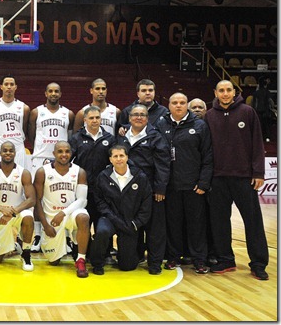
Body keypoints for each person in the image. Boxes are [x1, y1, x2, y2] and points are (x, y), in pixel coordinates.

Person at [205, 80, 269, 280]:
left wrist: (258, 172)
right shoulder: (209, 115)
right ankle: (226, 259)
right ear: (215, 92)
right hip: (217, 178)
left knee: (253, 221)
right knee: (219, 222)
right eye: (221, 90)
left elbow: (258, 143)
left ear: (235, 92)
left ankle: (258, 263)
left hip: (244, 178)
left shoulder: (247, 112)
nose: (225, 94)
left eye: (228, 90)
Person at [156, 93, 213, 274]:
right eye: (175, 103)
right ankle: (173, 257)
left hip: (193, 187)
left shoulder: (199, 125)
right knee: (173, 224)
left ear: (187, 105)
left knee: (196, 224)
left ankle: (199, 260)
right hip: (171, 186)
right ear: (169, 105)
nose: (178, 106)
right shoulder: (161, 124)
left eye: (182, 103)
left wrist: (203, 183)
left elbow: (208, 156)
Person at [117, 104, 170, 275]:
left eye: (142, 115)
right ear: (129, 118)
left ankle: (154, 263)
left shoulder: (155, 137)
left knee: (155, 229)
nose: (138, 117)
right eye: (135, 115)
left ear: (147, 118)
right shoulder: (122, 137)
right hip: (128, 192)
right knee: (133, 227)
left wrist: (160, 188)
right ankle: (136, 256)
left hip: (151, 190)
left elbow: (163, 164)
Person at [90, 145, 152, 275]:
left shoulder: (139, 177)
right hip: (110, 219)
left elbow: (146, 203)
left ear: (127, 157)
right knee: (102, 231)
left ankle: (125, 254)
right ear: (110, 159)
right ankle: (97, 263)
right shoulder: (103, 177)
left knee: (127, 266)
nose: (119, 159)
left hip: (130, 222)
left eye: (121, 156)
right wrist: (116, 220)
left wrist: (136, 223)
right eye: (115, 156)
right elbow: (100, 203)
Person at [27, 82, 74, 253]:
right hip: (40, 158)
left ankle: (67, 237)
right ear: (45, 93)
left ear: (60, 94)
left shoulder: (68, 113)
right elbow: (31, 134)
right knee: (37, 198)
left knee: (65, 196)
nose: (53, 94)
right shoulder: (36, 112)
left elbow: (71, 137)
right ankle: (38, 235)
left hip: (62, 158)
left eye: (56, 91)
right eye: (50, 91)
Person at [33, 141, 91, 278]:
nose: (64, 155)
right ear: (54, 154)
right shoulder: (43, 172)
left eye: (67, 151)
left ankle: (80, 259)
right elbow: (37, 201)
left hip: (70, 215)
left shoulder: (79, 172)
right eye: (60, 151)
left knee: (83, 217)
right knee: (54, 262)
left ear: (71, 153)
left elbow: (82, 200)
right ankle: (67, 242)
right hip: (51, 220)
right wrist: (45, 225)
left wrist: (63, 213)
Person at [69, 106, 116, 261]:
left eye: (97, 118)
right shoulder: (76, 138)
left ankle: (105, 253)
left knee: (102, 221)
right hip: (83, 189)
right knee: (83, 221)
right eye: (91, 118)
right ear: (85, 120)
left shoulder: (109, 138)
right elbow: (69, 162)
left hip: (104, 190)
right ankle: (82, 252)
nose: (95, 121)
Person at [0, 142, 36, 270]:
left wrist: (12, 212)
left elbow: (32, 199)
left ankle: (26, 254)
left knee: (28, 216)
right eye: (5, 150)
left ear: (15, 153)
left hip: (16, 213)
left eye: (11, 151)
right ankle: (12, 245)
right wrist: (1, 209)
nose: (8, 153)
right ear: (0, 153)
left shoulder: (23, 172)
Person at [0, 74, 30, 169]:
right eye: (6, 84)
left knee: (19, 180)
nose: (9, 87)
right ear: (1, 87)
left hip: (18, 149)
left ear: (15, 87)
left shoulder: (24, 108)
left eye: (12, 84)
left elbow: (24, 130)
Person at [252, 76, 274, 142]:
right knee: (267, 125)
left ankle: (258, 138)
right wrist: (272, 108)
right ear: (265, 84)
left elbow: (254, 103)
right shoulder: (267, 92)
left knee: (259, 125)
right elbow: (271, 102)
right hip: (266, 111)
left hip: (258, 112)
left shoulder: (255, 93)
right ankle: (267, 137)